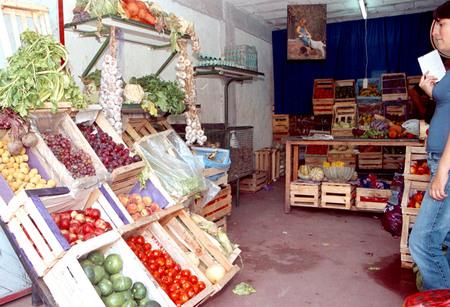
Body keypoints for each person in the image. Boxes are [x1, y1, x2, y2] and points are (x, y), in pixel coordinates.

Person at [409, 1, 450, 290]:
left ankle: (442, 297)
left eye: (442, 25)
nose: (436, 33)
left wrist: (442, 172)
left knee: (422, 241)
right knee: (444, 237)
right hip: (442, 161)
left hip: (448, 165)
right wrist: (432, 92)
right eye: (434, 26)